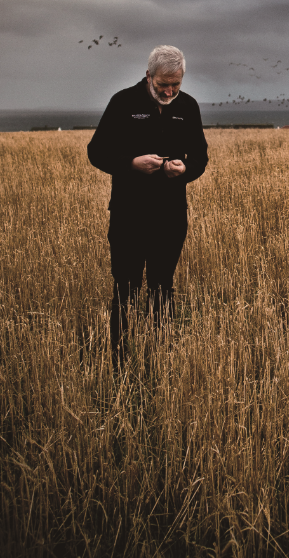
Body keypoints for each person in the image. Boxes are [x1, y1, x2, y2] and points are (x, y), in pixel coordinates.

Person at [87, 45, 208, 362]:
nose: (169, 91)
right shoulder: (123, 102)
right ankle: (119, 360)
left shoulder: (189, 107)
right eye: (163, 84)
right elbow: (96, 152)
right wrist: (131, 163)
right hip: (129, 214)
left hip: (171, 216)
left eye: (176, 84)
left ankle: (163, 354)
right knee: (125, 287)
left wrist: (185, 169)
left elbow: (199, 157)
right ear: (148, 76)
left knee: (163, 286)